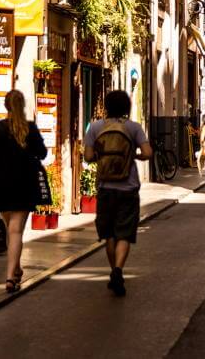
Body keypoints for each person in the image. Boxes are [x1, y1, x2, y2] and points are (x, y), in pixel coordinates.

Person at [0, 90, 47, 293]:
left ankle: (14, 271)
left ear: (6, 106)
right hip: (24, 186)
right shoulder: (30, 129)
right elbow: (43, 153)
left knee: (9, 230)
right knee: (16, 232)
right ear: (22, 106)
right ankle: (11, 276)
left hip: (0, 187)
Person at [83, 90, 152, 296]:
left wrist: (101, 157)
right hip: (128, 188)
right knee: (125, 233)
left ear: (107, 106)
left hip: (105, 188)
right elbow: (148, 153)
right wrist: (133, 156)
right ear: (126, 108)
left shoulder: (95, 127)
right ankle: (119, 270)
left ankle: (114, 270)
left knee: (109, 234)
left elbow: (87, 156)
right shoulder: (133, 127)